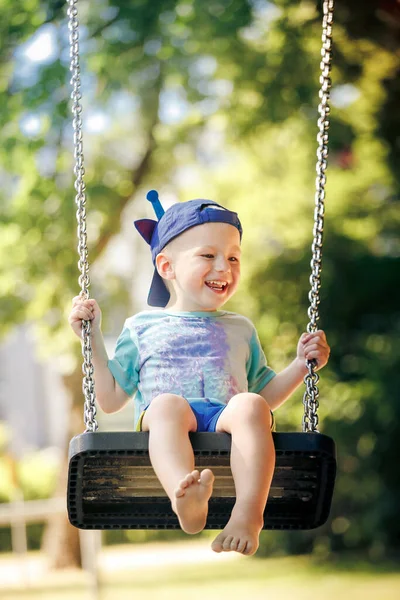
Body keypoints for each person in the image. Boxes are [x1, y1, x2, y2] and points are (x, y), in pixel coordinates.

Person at [68, 191, 330, 556]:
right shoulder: (141, 327)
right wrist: (91, 337)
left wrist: (303, 365)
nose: (224, 267)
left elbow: (266, 393)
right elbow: (110, 399)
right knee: (167, 406)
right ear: (167, 267)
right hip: (169, 422)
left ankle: (248, 514)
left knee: (252, 405)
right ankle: (185, 494)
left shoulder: (241, 328)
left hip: (224, 419)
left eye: (234, 257)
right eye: (208, 255)